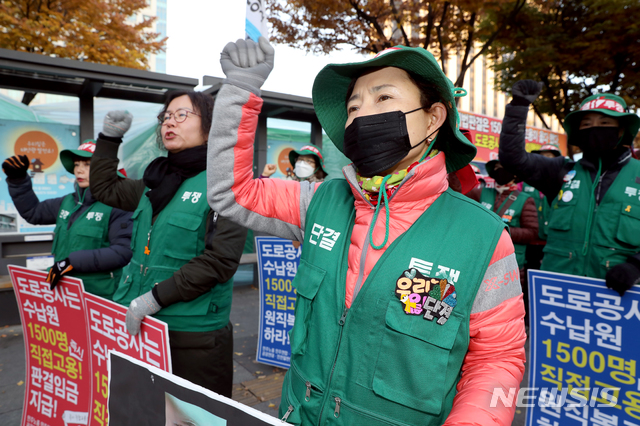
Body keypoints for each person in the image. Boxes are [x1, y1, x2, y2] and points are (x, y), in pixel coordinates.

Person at [207, 38, 525, 425]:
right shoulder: (319, 202)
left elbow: (497, 358)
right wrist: (241, 89)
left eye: (383, 98)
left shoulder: (483, 236)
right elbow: (232, 192)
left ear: (434, 117)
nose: (361, 116)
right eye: (353, 106)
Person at [89, 93, 247, 396]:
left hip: (192, 337)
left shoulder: (226, 184)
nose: (169, 122)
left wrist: (155, 298)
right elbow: (104, 188)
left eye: (182, 115)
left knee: (190, 416)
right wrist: (109, 138)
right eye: (166, 116)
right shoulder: (155, 181)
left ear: (210, 127)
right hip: (140, 328)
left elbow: (220, 260)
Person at [499, 80, 640, 296]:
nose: (595, 129)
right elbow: (513, 159)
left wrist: (635, 266)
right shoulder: (560, 170)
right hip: (558, 296)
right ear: (578, 133)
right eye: (587, 124)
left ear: (621, 130)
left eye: (605, 123)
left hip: (619, 300)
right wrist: (518, 107)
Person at [2, 142, 133, 299]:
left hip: (100, 297)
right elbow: (33, 212)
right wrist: (18, 180)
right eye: (76, 164)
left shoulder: (119, 205)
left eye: (87, 164)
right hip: (64, 293)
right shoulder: (68, 202)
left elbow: (122, 251)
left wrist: (72, 262)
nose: (79, 169)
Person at [260, 144, 328, 182]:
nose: (302, 163)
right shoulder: (289, 185)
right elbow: (261, 194)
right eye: (300, 159)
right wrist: (265, 175)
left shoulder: (323, 189)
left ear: (317, 167)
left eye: (309, 161)